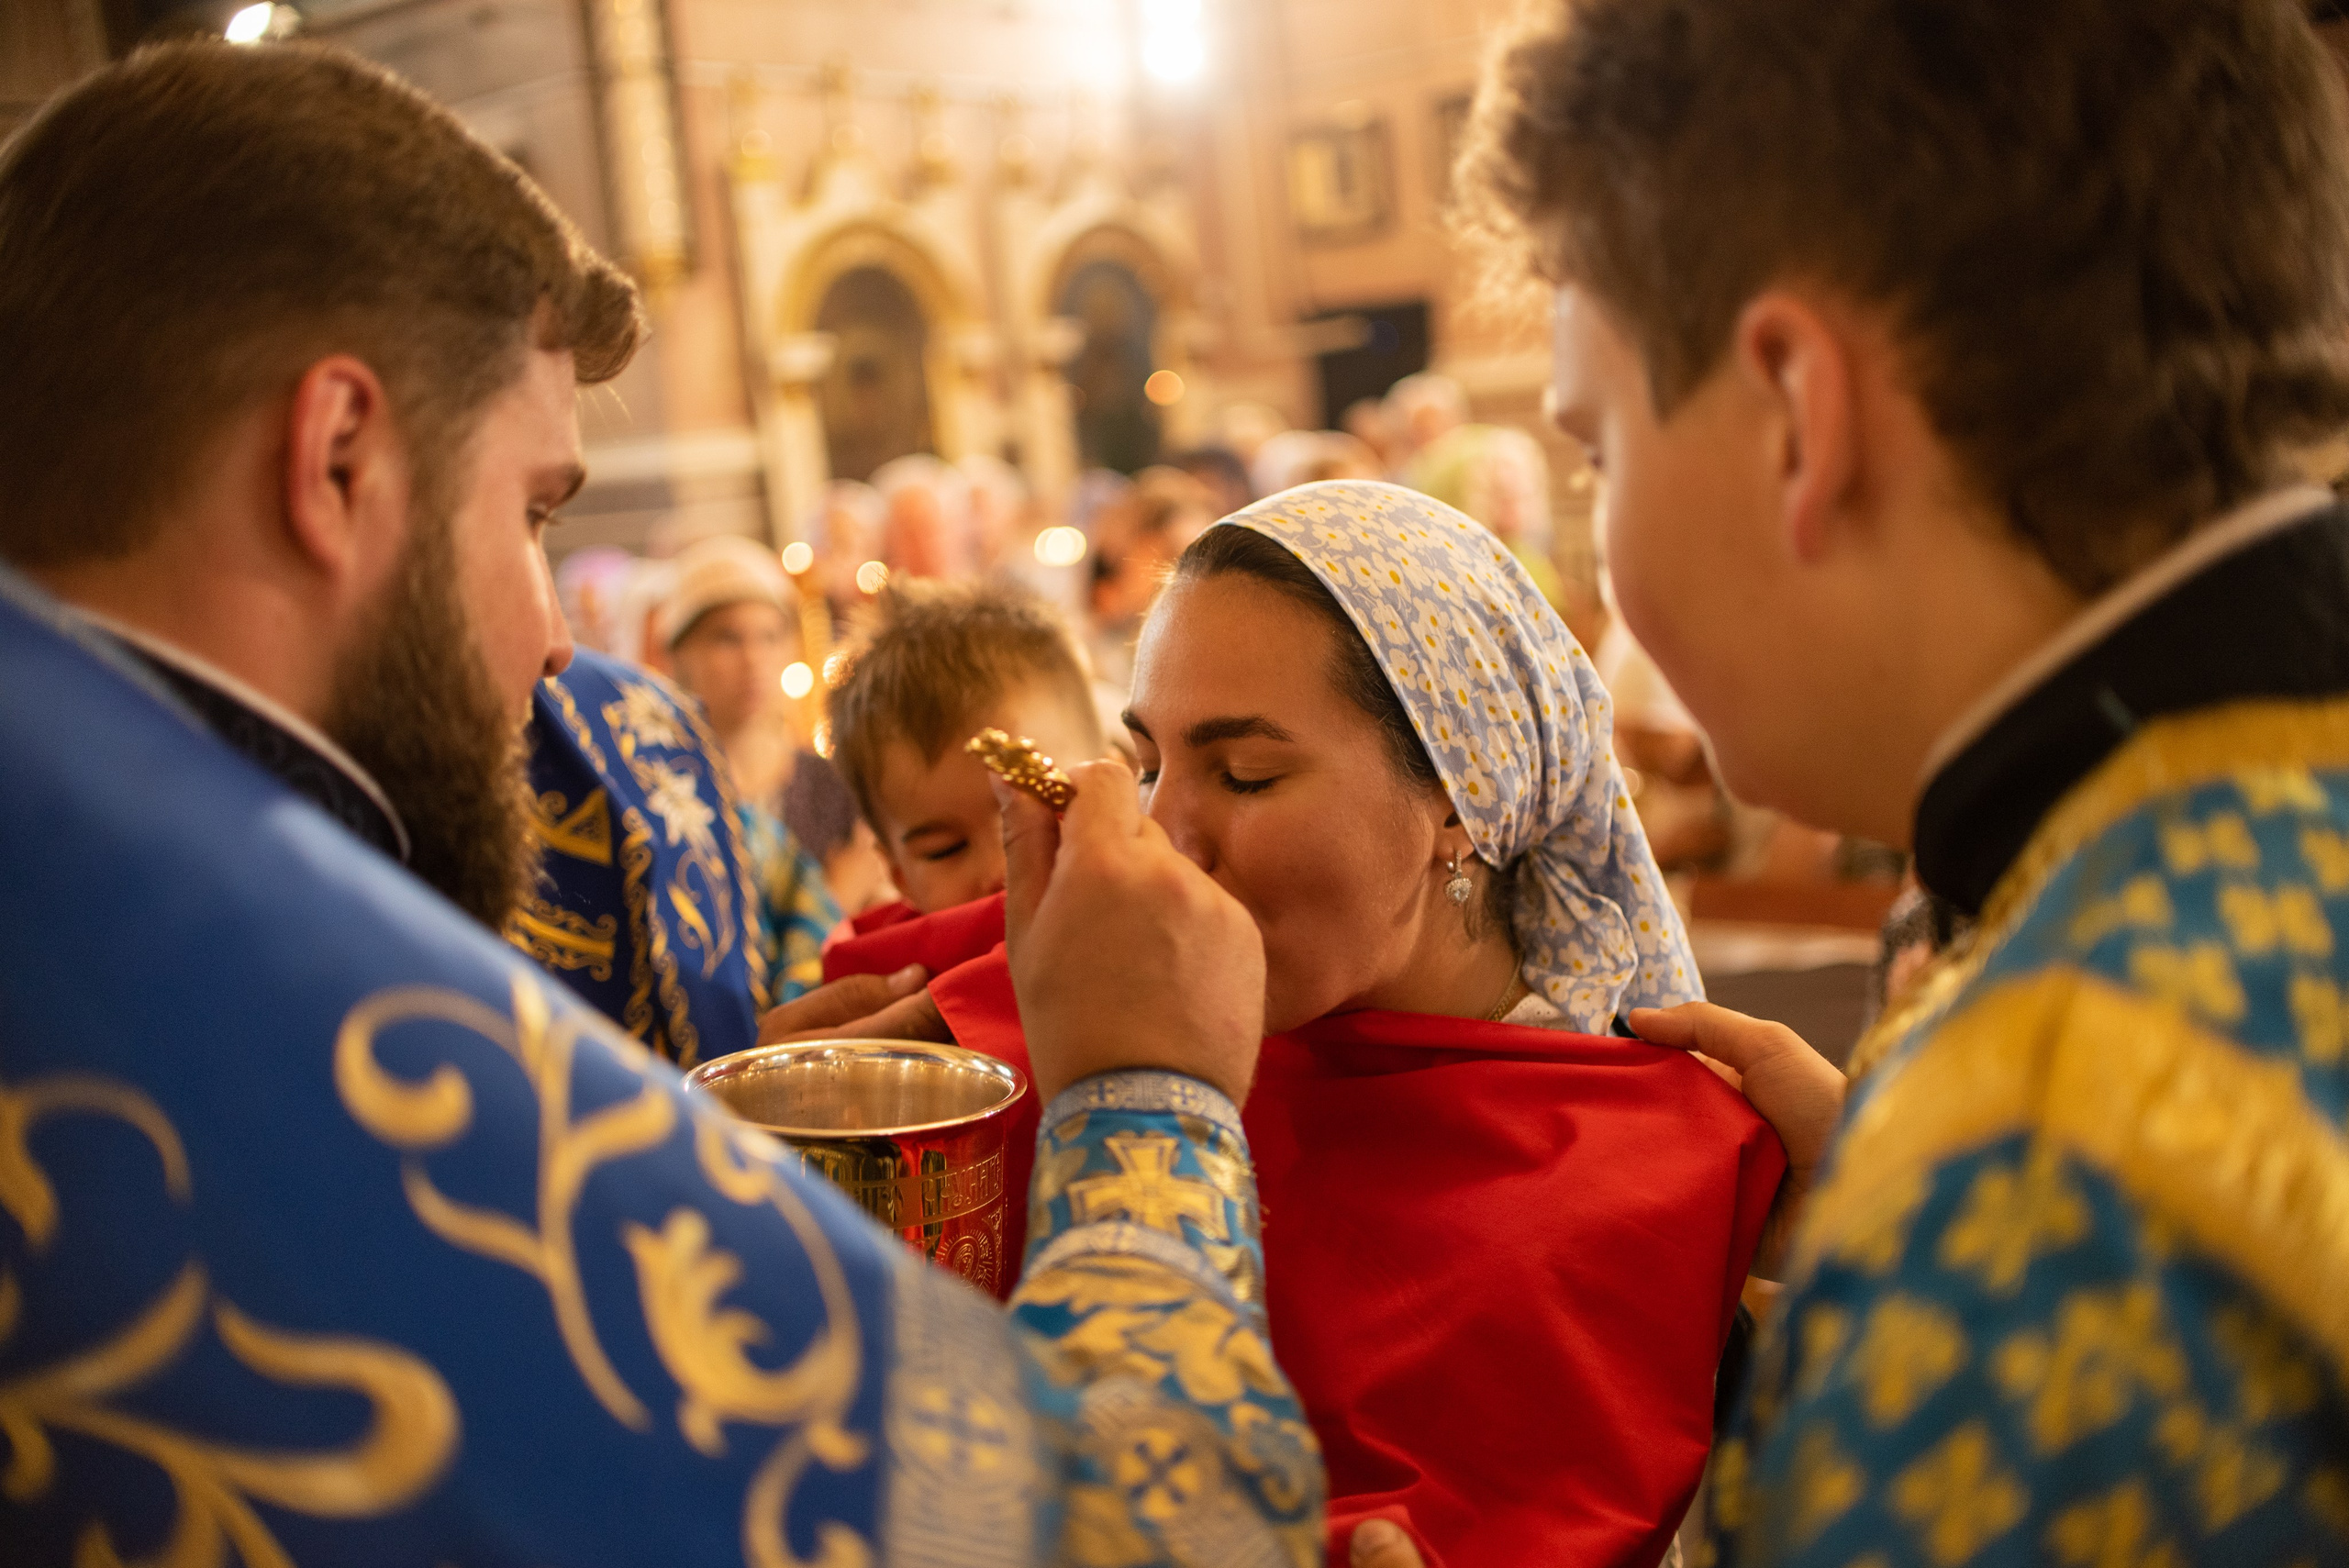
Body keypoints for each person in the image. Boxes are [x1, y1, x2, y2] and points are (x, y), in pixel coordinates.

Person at [0, 40, 1322, 1564]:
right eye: (532, 512)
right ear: (339, 456)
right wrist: (1146, 1089)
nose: (558, 634)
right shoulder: (227, 988)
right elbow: (1174, 1529)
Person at [1364, 0, 2349, 1564]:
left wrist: (1934, 1199)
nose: (1600, 532)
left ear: (1797, 418)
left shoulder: (2036, 1159)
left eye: (1599, 446)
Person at [785, 482, 1787, 1564]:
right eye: (1151, 764)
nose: (1166, 834)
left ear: (1459, 795)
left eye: (1244, 773)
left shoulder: (1637, 1159)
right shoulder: (1042, 1003)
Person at [828, 579, 1110, 923]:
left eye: (1045, 815)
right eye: (945, 851)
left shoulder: (1171, 912)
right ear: (898, 875)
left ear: (1115, 784)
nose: (1003, 874)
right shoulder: (891, 968)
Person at [659, 534, 840, 1000]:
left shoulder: (834, 785)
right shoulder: (661, 791)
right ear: (681, 654)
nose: (754, 659)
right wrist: (843, 888)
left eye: (770, 636)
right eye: (727, 638)